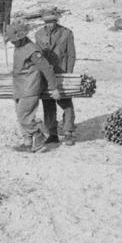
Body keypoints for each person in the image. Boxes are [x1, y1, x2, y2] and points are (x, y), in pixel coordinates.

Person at [4, 23, 61, 153]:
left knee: (24, 116)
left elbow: (46, 68)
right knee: (21, 116)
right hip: (19, 86)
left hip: (30, 87)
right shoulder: (19, 46)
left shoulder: (32, 50)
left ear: (21, 37)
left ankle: (38, 135)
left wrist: (54, 88)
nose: (12, 43)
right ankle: (28, 142)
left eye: (14, 40)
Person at [35, 9, 77, 146]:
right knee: (48, 104)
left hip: (63, 72)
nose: (49, 24)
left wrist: (69, 73)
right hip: (47, 74)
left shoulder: (66, 33)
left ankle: (68, 132)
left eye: (52, 21)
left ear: (56, 21)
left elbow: (71, 55)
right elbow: (38, 56)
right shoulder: (38, 34)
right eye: (46, 22)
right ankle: (52, 133)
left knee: (66, 103)